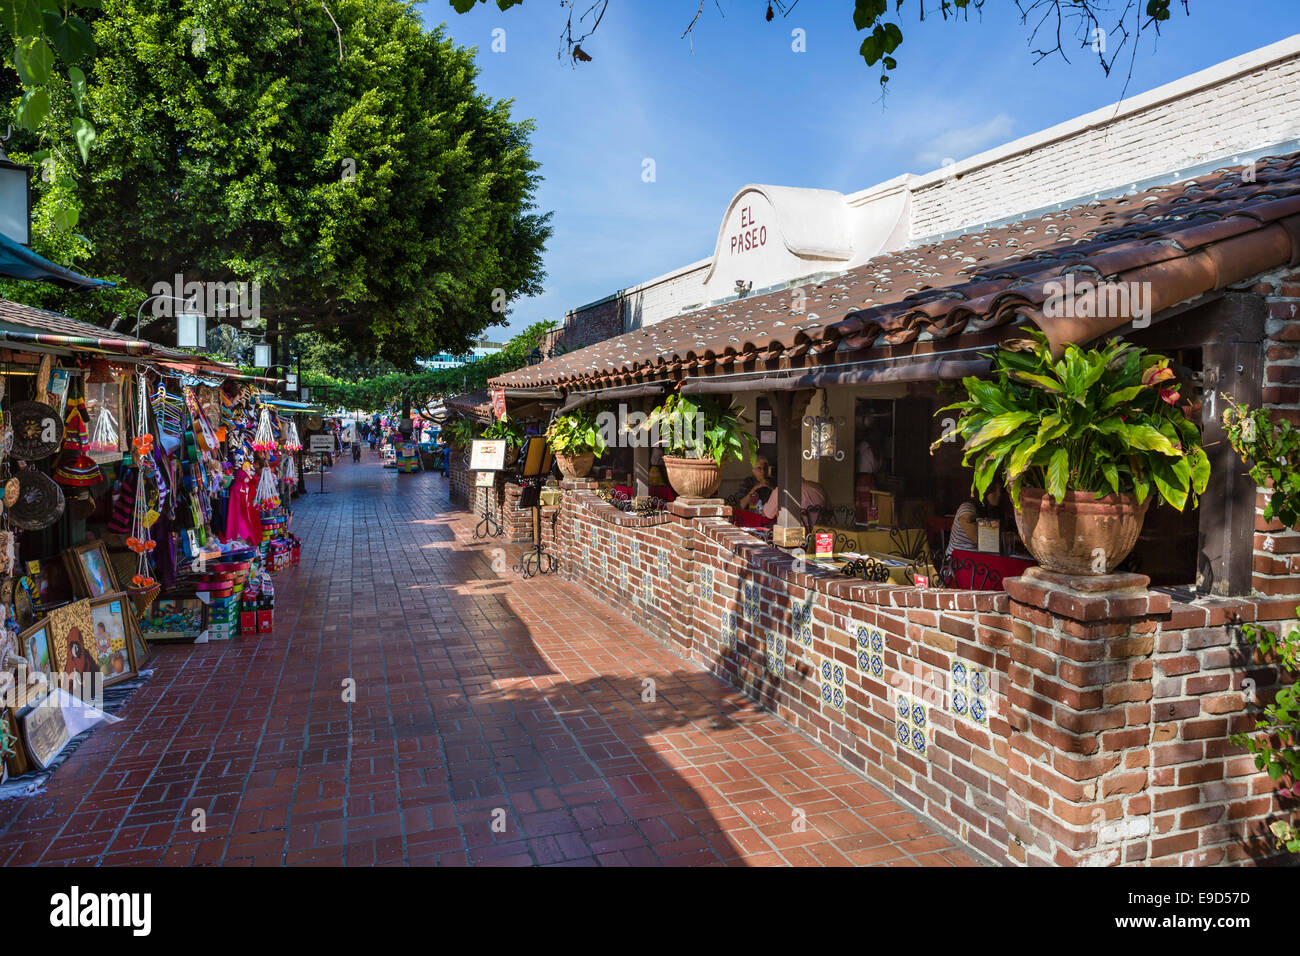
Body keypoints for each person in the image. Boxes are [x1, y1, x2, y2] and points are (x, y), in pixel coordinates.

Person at [947, 487, 1003, 559]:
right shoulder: (967, 507)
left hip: (978, 562)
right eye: (993, 490)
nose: (999, 494)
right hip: (958, 563)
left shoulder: (990, 511)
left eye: (1000, 490)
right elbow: (977, 538)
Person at [763, 477, 829, 523]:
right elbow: (830, 510)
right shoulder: (818, 487)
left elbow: (768, 514)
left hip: (793, 536)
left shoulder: (781, 490)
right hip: (820, 533)